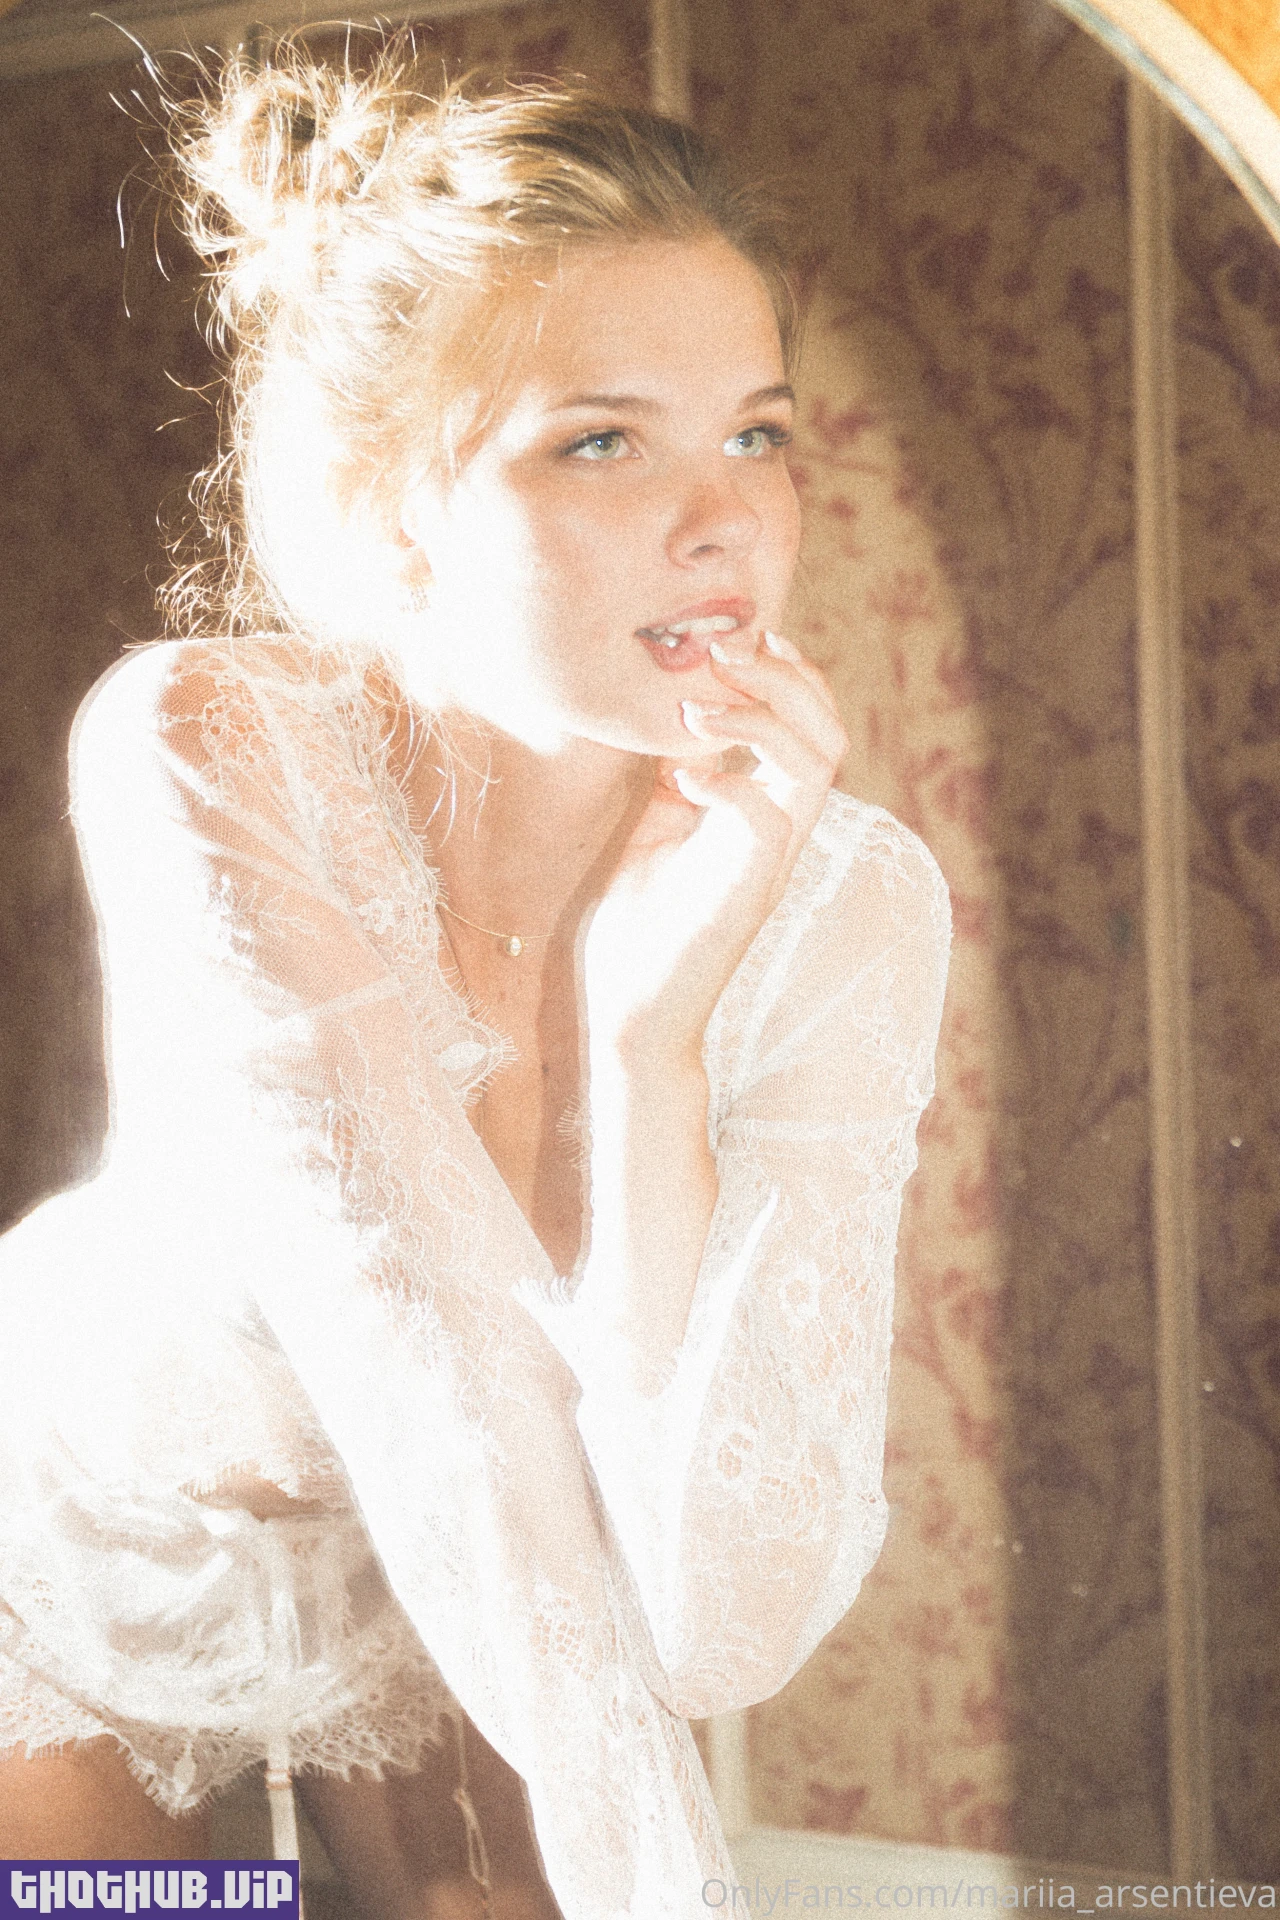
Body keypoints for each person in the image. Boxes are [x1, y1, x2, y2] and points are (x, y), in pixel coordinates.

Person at [0, 40, 952, 1920]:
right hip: (78, 1532)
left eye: (756, 433)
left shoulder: (848, 905)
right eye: (603, 440)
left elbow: (722, 1621)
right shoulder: (210, 746)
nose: (723, 522)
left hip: (450, 1564)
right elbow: (431, 1389)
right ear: (395, 508)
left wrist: (649, 1044)